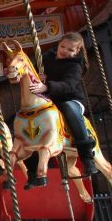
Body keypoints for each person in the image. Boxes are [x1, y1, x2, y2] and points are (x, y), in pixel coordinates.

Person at [26, 31, 97, 185]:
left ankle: (87, 157)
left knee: (69, 110)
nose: (64, 51)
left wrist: (47, 85)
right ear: (58, 44)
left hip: (70, 99)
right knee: (29, 120)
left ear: (77, 51)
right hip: (50, 102)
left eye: (70, 50)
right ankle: (32, 170)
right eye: (63, 46)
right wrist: (34, 75)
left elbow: (69, 85)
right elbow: (29, 68)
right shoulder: (45, 58)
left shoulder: (75, 66)